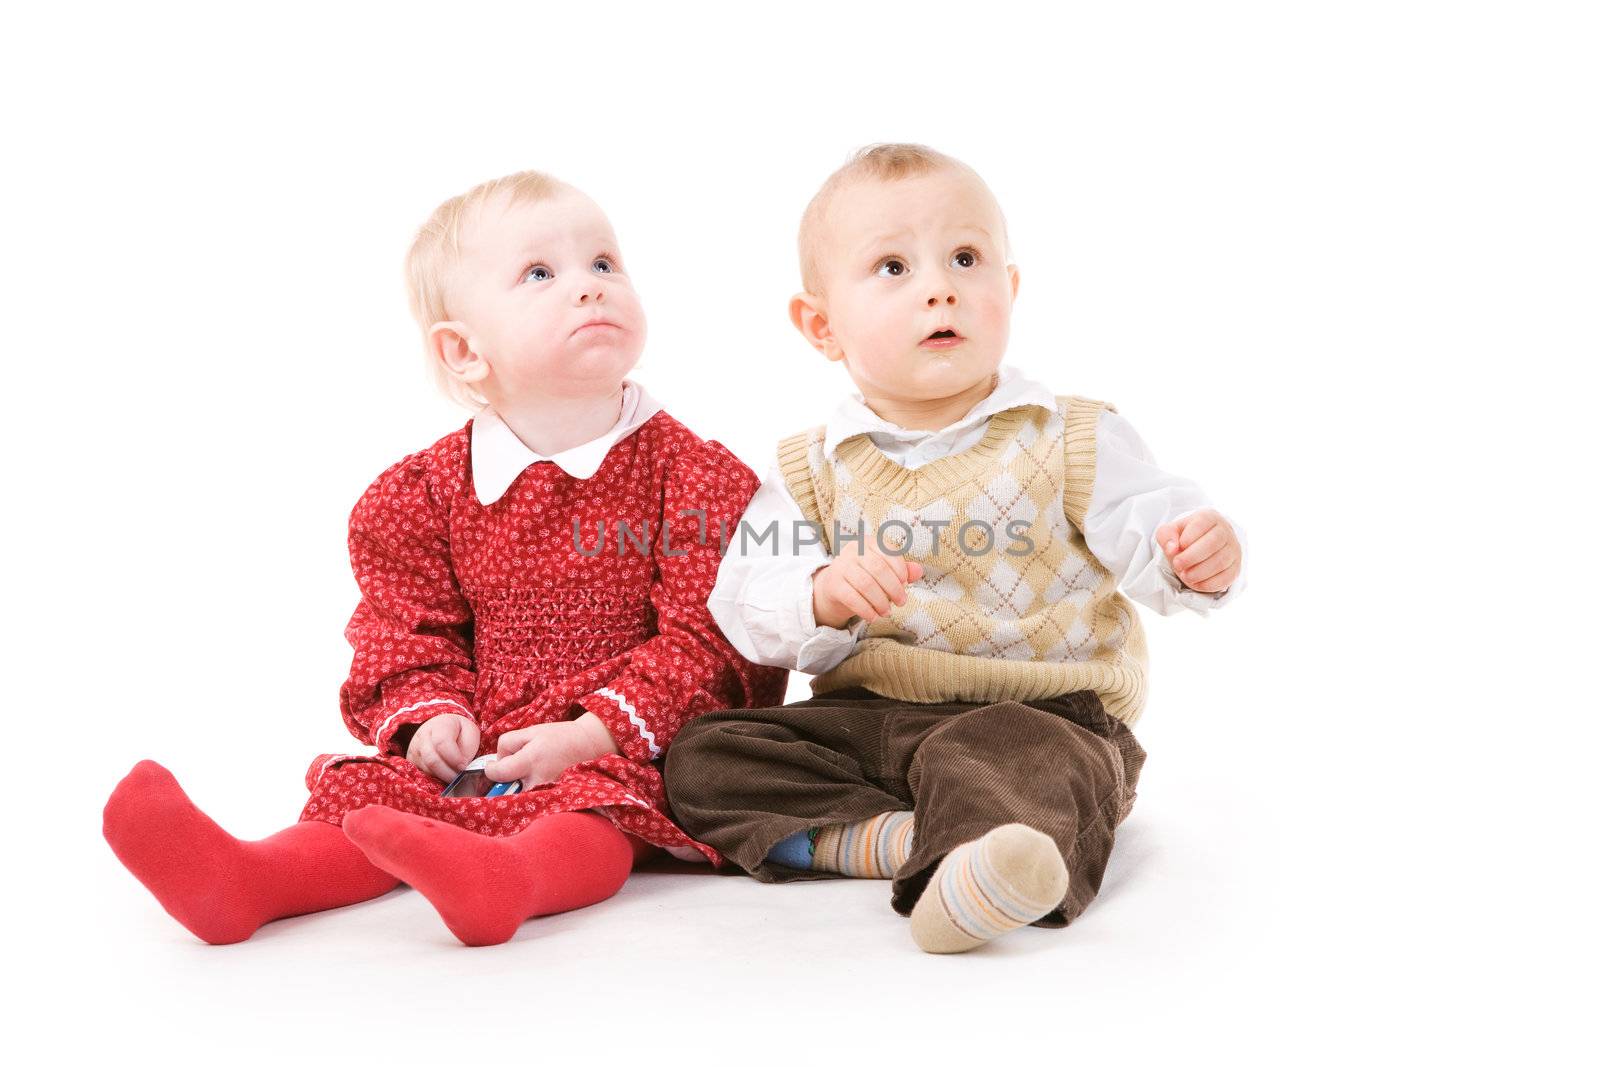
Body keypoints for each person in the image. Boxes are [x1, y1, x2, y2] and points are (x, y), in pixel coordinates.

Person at [102, 170, 786, 946]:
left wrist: (590, 735)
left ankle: (510, 881)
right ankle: (251, 879)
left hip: (626, 742)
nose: (589, 288)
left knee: (594, 810)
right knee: (374, 795)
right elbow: (407, 634)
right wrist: (434, 719)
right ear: (464, 350)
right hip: (485, 744)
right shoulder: (422, 496)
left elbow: (710, 639)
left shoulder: (694, 476)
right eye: (540, 273)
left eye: (604, 263)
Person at [664, 143, 1249, 954]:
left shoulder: (1071, 436)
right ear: (821, 326)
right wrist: (821, 591)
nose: (940, 286)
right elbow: (746, 595)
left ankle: (978, 873)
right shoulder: (810, 467)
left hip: (1037, 713)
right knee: (705, 755)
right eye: (893, 267)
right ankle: (907, 845)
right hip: (868, 718)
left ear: (1008, 289)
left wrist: (1192, 553)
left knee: (1024, 762)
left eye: (966, 258)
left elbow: (1154, 525)